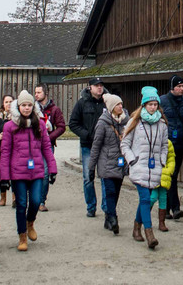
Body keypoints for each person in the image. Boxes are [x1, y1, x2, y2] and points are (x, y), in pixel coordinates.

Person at [0, 90, 57, 252]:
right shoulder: (10, 126)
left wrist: (52, 169)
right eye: (23, 105)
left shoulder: (39, 125)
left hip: (37, 170)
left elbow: (46, 147)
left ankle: (30, 221)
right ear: (19, 106)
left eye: (29, 105)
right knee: (21, 203)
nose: (26, 108)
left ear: (33, 106)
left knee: (36, 200)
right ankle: (22, 235)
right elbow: (5, 152)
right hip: (18, 172)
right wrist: (4, 177)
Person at [120, 86, 170, 250]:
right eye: (150, 104)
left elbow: (164, 146)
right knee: (145, 199)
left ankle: (136, 227)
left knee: (147, 200)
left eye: (155, 104)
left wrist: (162, 161)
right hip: (139, 166)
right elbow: (125, 144)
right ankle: (149, 234)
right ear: (144, 105)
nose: (153, 107)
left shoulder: (162, 124)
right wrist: (132, 160)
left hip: (155, 167)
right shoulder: (135, 121)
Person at [88, 93, 129, 235]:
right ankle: (113, 218)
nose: (120, 106)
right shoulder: (102, 123)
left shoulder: (126, 122)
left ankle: (107, 217)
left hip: (120, 163)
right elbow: (96, 146)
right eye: (117, 104)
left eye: (121, 104)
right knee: (110, 191)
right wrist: (91, 167)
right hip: (106, 163)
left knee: (116, 192)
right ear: (111, 107)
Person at [68, 77, 107, 218]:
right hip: (88, 146)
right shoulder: (82, 103)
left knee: (105, 176)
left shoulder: (107, 102)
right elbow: (73, 123)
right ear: (90, 87)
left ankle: (106, 207)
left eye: (101, 85)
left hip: (104, 146)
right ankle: (91, 206)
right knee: (88, 177)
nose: (99, 88)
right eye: (96, 85)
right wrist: (86, 135)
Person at [158, 75, 183, 220]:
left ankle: (165, 209)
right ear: (172, 87)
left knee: (172, 175)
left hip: (180, 145)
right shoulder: (163, 101)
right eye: (178, 86)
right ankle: (174, 208)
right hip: (167, 144)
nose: (181, 89)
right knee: (169, 175)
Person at [34, 85, 65, 211]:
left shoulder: (54, 110)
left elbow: (61, 127)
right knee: (33, 172)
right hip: (34, 145)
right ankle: (32, 198)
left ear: (45, 93)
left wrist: (49, 137)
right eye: (35, 92)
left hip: (48, 145)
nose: (36, 94)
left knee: (45, 173)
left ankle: (41, 201)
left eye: (39, 92)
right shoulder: (32, 108)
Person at [0, 94, 14, 206]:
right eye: (6, 102)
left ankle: (15, 196)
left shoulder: (17, 116)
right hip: (1, 149)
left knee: (15, 172)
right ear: (3, 104)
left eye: (10, 101)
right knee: (3, 172)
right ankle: (3, 196)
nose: (8, 104)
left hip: (14, 148)